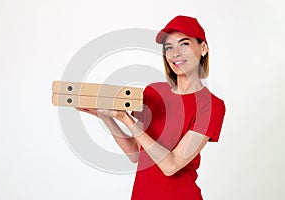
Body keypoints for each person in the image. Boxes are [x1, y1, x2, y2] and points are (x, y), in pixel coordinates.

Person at [76, 15, 226, 200]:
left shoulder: (211, 106)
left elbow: (171, 166)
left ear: (203, 48)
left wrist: (127, 119)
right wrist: (106, 117)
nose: (175, 53)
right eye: (169, 47)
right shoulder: (154, 92)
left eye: (184, 44)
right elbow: (135, 154)